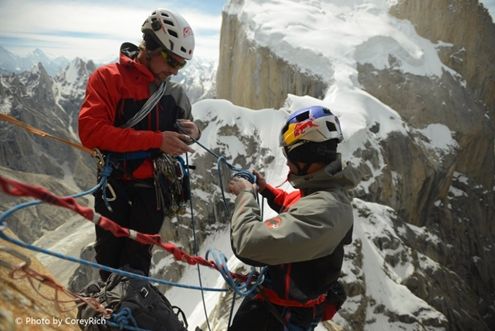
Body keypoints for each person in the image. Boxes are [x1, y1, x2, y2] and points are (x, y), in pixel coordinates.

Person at [78, 8, 200, 281]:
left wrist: (195, 132)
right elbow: (91, 133)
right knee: (109, 258)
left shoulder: (174, 93)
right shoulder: (109, 79)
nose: (175, 71)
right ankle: (112, 313)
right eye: (172, 61)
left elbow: (186, 126)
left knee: (138, 262)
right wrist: (157, 140)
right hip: (116, 185)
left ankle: (130, 313)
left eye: (181, 65)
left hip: (154, 191)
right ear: (151, 46)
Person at [227, 105, 356, 330]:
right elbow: (299, 206)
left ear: (304, 155)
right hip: (278, 308)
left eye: (289, 154)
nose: (286, 162)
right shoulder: (324, 192)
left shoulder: (327, 210)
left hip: (282, 318)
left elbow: (247, 243)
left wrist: (245, 194)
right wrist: (267, 190)